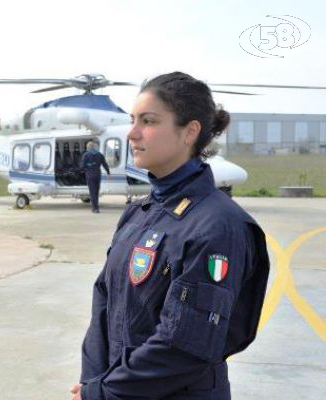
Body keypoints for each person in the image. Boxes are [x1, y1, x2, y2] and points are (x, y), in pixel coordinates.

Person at [71, 72, 270, 400]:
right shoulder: (137, 213)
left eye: (148, 121)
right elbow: (103, 302)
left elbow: (185, 346)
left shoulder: (218, 226)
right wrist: (93, 381)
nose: (132, 134)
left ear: (189, 132)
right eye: (132, 121)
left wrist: (103, 392)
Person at [80, 141, 110, 213]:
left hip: (90, 175)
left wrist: (84, 170)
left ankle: (95, 208)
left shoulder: (86, 155)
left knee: (92, 192)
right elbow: (105, 164)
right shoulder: (100, 155)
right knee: (96, 191)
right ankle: (96, 207)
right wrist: (108, 172)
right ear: (94, 147)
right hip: (97, 175)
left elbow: (82, 166)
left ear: (88, 147)